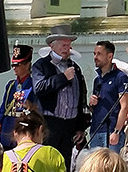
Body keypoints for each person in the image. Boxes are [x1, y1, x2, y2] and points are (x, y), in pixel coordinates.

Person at [32, 25, 89, 169]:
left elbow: (80, 98)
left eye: (69, 45)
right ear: (52, 45)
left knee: (65, 163)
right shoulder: (41, 65)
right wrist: (62, 78)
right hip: (50, 124)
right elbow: (39, 88)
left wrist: (80, 127)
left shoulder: (75, 67)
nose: (67, 48)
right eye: (63, 45)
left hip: (69, 125)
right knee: (47, 161)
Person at [89, 41, 128, 153]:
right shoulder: (97, 80)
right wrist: (92, 104)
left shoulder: (120, 77)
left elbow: (125, 106)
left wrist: (117, 131)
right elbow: (96, 108)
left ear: (110, 56)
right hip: (96, 130)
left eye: (99, 54)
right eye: (94, 54)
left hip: (111, 131)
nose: (95, 57)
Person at [0, 45, 36, 148]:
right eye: (13, 64)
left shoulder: (33, 85)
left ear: (27, 65)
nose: (14, 68)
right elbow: (3, 109)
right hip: (7, 129)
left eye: (18, 65)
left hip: (23, 128)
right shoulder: (11, 85)